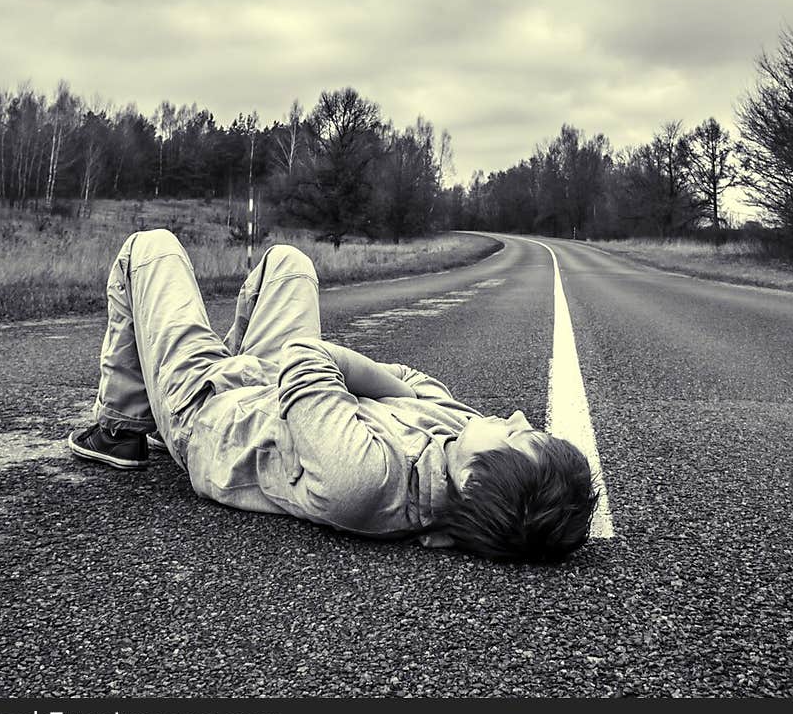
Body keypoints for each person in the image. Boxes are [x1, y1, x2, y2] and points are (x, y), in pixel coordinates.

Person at [69, 229, 598, 562]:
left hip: (209, 411)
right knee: (291, 261)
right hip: (278, 386)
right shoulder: (459, 436)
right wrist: (333, 386)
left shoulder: (366, 480)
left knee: (151, 248)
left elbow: (309, 355)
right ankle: (209, 368)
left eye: (518, 434)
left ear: (472, 476)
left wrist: (338, 381)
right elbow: (405, 376)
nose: (516, 414)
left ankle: (122, 427)